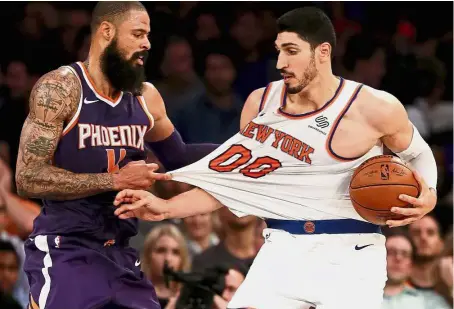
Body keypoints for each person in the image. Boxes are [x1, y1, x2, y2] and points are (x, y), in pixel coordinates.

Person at [113, 7, 439, 309]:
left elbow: (419, 153)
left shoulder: (373, 108)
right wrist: (167, 208)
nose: (281, 62)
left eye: (292, 51)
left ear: (322, 52)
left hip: (352, 252)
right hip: (281, 247)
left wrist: (430, 194)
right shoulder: (260, 103)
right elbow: (236, 185)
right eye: (279, 50)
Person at [15, 2, 218, 309]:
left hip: (121, 251)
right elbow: (28, 178)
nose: (147, 43)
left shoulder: (145, 97)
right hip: (66, 248)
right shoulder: (60, 90)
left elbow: (180, 157)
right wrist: (115, 180)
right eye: (138, 33)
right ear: (106, 32)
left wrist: (245, 152)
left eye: (147, 35)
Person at [382, 229, 450, 309]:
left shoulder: (430, 301)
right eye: (391, 252)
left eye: (405, 254)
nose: (398, 258)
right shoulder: (364, 296)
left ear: (411, 265)